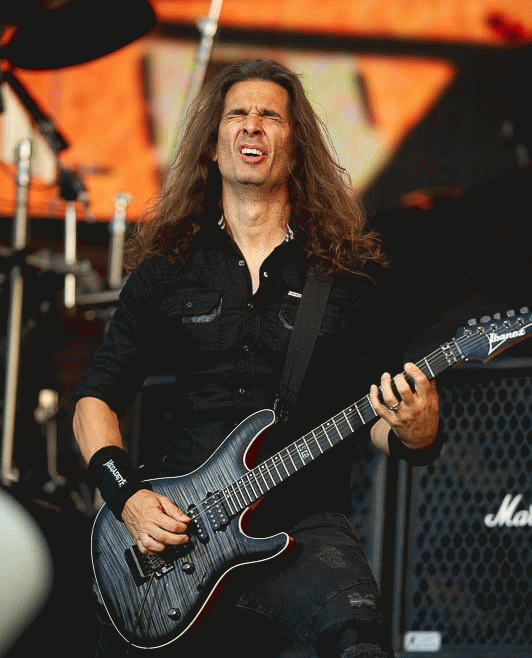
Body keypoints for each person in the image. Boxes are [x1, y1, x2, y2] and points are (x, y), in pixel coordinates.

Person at [72, 59, 440, 658]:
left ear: (295, 150)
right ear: (212, 146)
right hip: (178, 531)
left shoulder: (345, 279)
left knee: (360, 643)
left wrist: (416, 431)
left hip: (303, 524)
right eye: (237, 114)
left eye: (270, 116)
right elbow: (95, 399)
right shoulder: (168, 268)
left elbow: (378, 415)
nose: (252, 126)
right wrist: (127, 498)